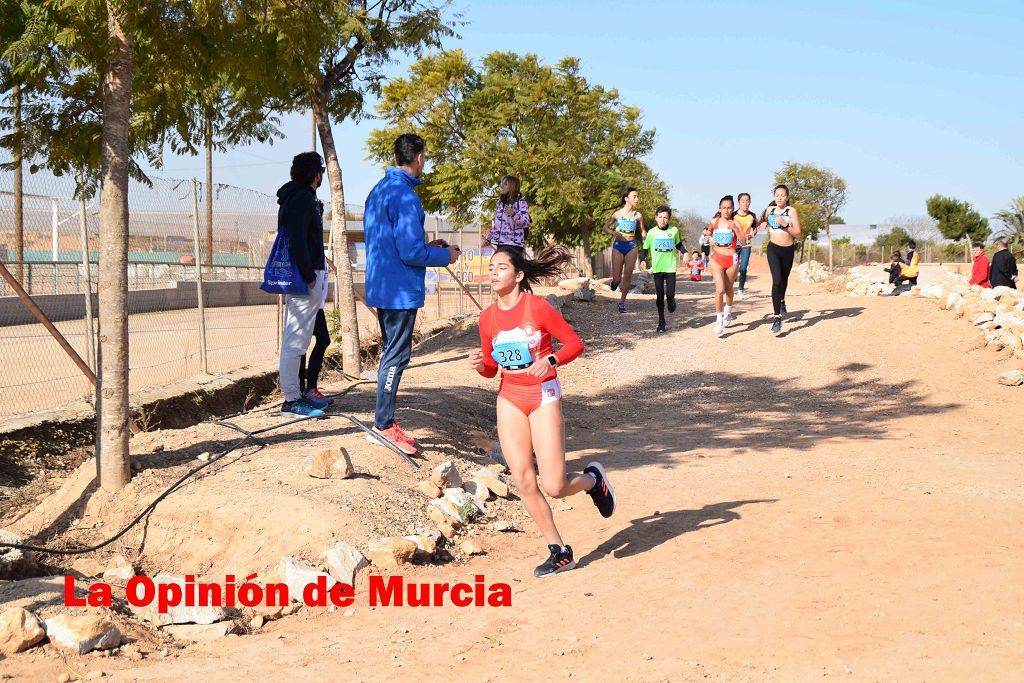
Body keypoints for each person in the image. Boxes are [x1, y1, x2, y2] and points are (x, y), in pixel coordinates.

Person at [468, 246, 616, 577]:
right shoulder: (487, 318)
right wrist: (480, 365)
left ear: (518, 275)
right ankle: (559, 550)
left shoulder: (537, 307)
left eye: (501, 267)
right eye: (490, 267)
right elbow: (492, 369)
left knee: (553, 486)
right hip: (510, 397)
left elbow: (575, 344)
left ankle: (593, 481)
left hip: (544, 395)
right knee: (522, 479)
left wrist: (551, 360)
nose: (492, 273)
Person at [364, 133, 461, 455]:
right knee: (396, 356)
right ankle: (383, 425)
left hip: (382, 285)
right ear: (419, 157)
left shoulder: (378, 190)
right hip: (399, 290)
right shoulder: (405, 196)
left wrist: (427, 248)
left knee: (391, 353)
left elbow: (398, 245)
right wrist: (443, 257)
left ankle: (383, 421)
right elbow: (409, 253)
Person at [277, 152, 330, 418]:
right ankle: (291, 401)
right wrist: (309, 275)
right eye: (321, 171)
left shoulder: (303, 198)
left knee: (300, 340)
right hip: (304, 280)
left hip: (308, 278)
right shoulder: (300, 199)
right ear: (315, 173)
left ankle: (298, 396)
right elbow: (298, 240)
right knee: (295, 341)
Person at [759, 185, 802, 334]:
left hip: (788, 250)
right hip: (773, 249)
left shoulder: (791, 211)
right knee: (776, 281)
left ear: (787, 197)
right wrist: (762, 224)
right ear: (774, 196)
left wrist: (785, 225)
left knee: (784, 280)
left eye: (782, 195)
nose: (779, 198)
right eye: (777, 195)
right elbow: (761, 221)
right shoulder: (770, 210)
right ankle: (777, 318)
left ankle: (782, 300)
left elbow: (798, 234)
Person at [602, 187, 646, 313]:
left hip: (631, 246)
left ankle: (621, 302)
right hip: (618, 246)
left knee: (627, 276)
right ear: (626, 199)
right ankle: (614, 284)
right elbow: (605, 227)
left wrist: (644, 236)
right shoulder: (617, 214)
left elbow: (642, 230)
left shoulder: (638, 215)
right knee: (617, 278)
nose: (637, 199)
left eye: (637, 196)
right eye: (634, 196)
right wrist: (612, 233)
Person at [642, 205, 685, 332]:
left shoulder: (674, 230)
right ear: (656, 218)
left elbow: (678, 244)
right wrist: (643, 259)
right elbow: (645, 249)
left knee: (669, 293)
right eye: (660, 217)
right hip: (657, 269)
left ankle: (671, 301)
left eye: (665, 217)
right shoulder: (651, 233)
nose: (662, 220)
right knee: (660, 296)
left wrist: (686, 252)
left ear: (669, 219)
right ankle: (661, 321)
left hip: (670, 267)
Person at [707, 195, 745, 336]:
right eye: (724, 207)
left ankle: (728, 311)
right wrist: (708, 237)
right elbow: (709, 230)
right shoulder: (714, 221)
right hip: (716, 258)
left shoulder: (735, 223)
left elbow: (743, 241)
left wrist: (735, 229)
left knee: (729, 290)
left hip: (731, 260)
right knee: (720, 290)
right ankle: (718, 319)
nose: (726, 210)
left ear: (733, 209)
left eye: (729, 208)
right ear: (719, 208)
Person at [484, 174, 531, 255]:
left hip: (514, 246)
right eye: (501, 183)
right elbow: (497, 225)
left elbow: (526, 223)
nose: (501, 186)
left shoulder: (521, 202)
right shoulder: (500, 203)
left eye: (505, 184)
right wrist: (488, 239)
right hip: (500, 245)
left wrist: (513, 214)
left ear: (513, 187)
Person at [734, 192, 757, 299]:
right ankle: (728, 287)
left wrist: (751, 234)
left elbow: (755, 229)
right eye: (743, 201)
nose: (745, 203)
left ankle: (740, 289)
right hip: (734, 244)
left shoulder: (752, 216)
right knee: (732, 267)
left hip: (746, 245)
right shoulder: (733, 215)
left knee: (743, 268)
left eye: (747, 201)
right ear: (738, 203)